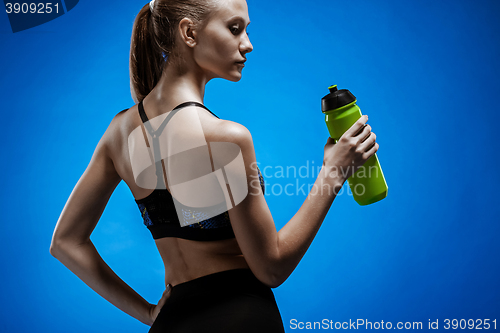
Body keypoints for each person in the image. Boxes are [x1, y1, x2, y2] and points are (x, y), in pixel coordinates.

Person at [49, 0, 379, 331]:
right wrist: (333, 173)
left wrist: (150, 314)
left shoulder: (119, 132)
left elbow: (65, 241)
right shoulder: (226, 138)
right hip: (241, 319)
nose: (248, 43)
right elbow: (272, 268)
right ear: (189, 32)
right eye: (235, 28)